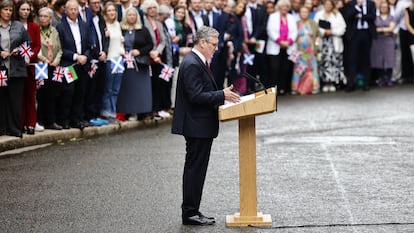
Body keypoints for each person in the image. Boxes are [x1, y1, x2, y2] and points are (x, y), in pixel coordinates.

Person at [171, 26, 240, 226]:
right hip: (196, 126)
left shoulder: (197, 61)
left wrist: (222, 95)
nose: (216, 48)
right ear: (202, 42)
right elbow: (195, 96)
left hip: (200, 125)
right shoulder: (192, 63)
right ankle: (190, 212)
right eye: (213, 44)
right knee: (195, 170)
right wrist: (221, 95)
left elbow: (202, 92)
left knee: (197, 170)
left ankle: (193, 210)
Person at [56, 0, 92, 129]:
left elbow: (90, 45)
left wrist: (86, 56)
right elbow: (60, 48)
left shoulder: (84, 25)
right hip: (69, 65)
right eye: (70, 9)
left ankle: (77, 119)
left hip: (82, 65)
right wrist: (76, 56)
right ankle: (64, 120)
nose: (73, 11)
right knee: (68, 92)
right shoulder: (60, 27)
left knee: (80, 92)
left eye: (75, 9)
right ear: (65, 10)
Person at [0, 0, 31, 138]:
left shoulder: (18, 25)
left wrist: (19, 50)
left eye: (10, 10)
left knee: (15, 99)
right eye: (5, 9)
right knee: (1, 98)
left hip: (17, 68)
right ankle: (2, 128)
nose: (8, 12)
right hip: (2, 68)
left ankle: (15, 128)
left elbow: (28, 43)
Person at [116, 7, 154, 118]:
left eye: (133, 15)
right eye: (129, 15)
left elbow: (150, 45)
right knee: (127, 88)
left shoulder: (143, 29)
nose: (131, 17)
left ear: (137, 17)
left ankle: (141, 111)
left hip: (139, 63)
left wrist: (140, 51)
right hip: (125, 63)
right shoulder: (121, 29)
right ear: (125, 16)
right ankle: (127, 111)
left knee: (140, 89)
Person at [15, 0, 42, 135]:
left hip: (30, 65)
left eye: (27, 9)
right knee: (20, 96)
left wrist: (29, 57)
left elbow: (37, 45)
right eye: (23, 9)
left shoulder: (34, 26)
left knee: (31, 95)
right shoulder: (14, 26)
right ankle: (20, 123)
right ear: (18, 10)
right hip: (16, 65)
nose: (25, 12)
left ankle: (31, 123)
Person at [36, 7, 63, 130]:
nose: (42, 18)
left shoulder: (54, 31)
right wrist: (43, 59)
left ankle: (51, 121)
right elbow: (35, 48)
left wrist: (57, 59)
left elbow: (60, 49)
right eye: (41, 16)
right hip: (41, 66)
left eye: (45, 16)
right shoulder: (36, 30)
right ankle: (40, 120)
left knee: (52, 94)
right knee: (41, 93)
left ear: (51, 19)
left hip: (53, 66)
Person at [343, 0, 377, 91]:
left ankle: (366, 83)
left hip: (366, 33)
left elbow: (373, 17)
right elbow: (348, 16)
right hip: (354, 34)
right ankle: (351, 83)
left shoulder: (371, 4)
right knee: (352, 59)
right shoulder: (351, 4)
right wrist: (358, 7)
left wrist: (361, 16)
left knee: (366, 59)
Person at [314, 0, 347, 92]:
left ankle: (333, 82)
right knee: (323, 62)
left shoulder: (337, 15)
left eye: (330, 4)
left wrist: (332, 31)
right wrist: (324, 31)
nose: (328, 6)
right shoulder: (319, 14)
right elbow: (314, 27)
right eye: (326, 4)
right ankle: (325, 82)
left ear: (333, 5)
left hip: (334, 42)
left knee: (334, 62)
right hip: (323, 42)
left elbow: (343, 28)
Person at [266, 0, 298, 95]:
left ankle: (283, 89)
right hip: (275, 46)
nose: (285, 8)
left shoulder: (291, 17)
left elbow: (295, 31)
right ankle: (273, 89)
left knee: (286, 68)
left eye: (286, 6)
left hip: (289, 47)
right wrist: (280, 41)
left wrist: (289, 41)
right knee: (274, 68)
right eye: (283, 6)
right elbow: (270, 30)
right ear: (279, 7)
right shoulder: (273, 16)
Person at [101, 2, 124, 122]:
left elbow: (121, 41)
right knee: (108, 88)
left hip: (118, 59)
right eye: (109, 10)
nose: (111, 13)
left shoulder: (117, 24)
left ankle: (113, 111)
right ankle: (106, 111)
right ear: (105, 13)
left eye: (113, 10)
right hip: (109, 59)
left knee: (116, 89)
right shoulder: (103, 25)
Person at [291, 6, 320, 95]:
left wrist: (317, 46)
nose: (304, 14)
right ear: (299, 13)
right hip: (299, 51)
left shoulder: (313, 23)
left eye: (306, 12)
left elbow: (318, 35)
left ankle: (315, 87)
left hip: (311, 51)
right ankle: (295, 88)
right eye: (302, 12)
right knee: (298, 69)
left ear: (309, 13)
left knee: (313, 69)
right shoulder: (296, 23)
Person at [371, 0, 396, 86]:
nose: (384, 8)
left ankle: (389, 78)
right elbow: (374, 29)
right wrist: (384, 29)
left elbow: (391, 28)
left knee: (389, 59)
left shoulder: (391, 17)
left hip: (389, 40)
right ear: (379, 8)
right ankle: (381, 78)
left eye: (385, 7)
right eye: (382, 7)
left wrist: (380, 29)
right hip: (378, 41)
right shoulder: (376, 17)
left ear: (388, 8)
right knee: (378, 59)